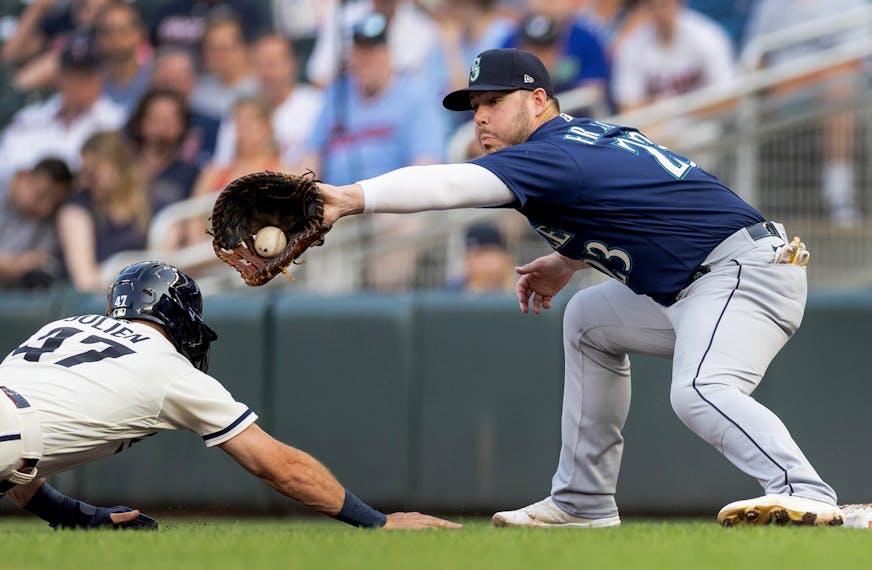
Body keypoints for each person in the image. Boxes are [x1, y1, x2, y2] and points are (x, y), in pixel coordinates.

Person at [314, 48, 844, 527]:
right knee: (589, 320)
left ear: (538, 99)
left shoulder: (553, 153)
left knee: (700, 390)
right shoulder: (578, 141)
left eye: (495, 101)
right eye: (475, 105)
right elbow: (642, 207)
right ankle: (582, 501)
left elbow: (450, 184)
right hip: (707, 280)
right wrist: (568, 262)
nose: (481, 117)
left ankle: (805, 491)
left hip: (741, 273)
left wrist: (351, 197)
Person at [0, 260, 459, 531]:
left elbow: (21, 451)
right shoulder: (170, 369)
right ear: (178, 316)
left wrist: (78, 516)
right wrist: (378, 522)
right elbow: (279, 466)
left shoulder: (62, 325)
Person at [56, 131, 153, 292]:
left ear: (119, 165)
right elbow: (85, 280)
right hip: (90, 304)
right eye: (84, 171)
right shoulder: (76, 209)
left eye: (94, 170)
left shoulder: (148, 201)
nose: (87, 179)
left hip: (139, 296)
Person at [0, 158, 73, 289]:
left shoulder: (51, 221)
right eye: (41, 195)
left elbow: (39, 260)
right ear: (22, 177)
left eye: (55, 203)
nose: (47, 208)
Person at [446, 223, 516, 293]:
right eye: (468, 256)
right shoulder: (455, 288)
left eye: (481, 254)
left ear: (502, 256)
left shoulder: (523, 286)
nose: (471, 261)